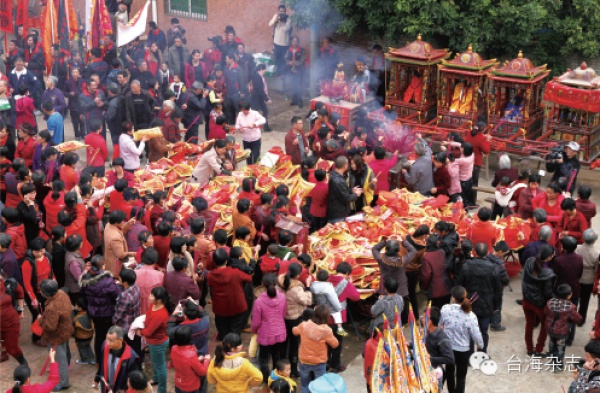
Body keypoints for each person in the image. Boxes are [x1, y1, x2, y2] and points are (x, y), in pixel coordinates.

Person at [456, 242, 503, 353]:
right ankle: (482, 354)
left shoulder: (466, 266)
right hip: (486, 304)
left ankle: (469, 355)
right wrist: (497, 306)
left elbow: (459, 286)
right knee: (483, 330)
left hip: (468, 303)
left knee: (468, 330)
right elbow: (498, 291)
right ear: (487, 252)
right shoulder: (494, 268)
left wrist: (459, 302)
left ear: (474, 252)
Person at [80, 255, 123, 368]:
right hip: (107, 313)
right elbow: (117, 295)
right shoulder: (108, 281)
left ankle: (99, 359)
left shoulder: (86, 279)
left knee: (99, 335)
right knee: (109, 335)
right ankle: (108, 359)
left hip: (94, 312)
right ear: (103, 265)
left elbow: (83, 294)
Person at [440, 286, 484, 393]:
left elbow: (440, 325)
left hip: (448, 348)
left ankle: (451, 391)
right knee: (461, 376)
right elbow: (476, 334)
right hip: (463, 350)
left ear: (453, 298)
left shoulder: (445, 309)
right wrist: (480, 345)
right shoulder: (470, 315)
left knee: (449, 371)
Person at [292, 305, 339, 393]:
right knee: (320, 386)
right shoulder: (327, 330)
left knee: (304, 384)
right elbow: (335, 344)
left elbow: (294, 331)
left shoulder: (304, 325)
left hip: (304, 360)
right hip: (319, 362)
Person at [208, 248, 252, 340]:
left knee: (223, 332)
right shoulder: (235, 272)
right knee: (235, 331)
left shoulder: (210, 275)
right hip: (237, 305)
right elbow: (249, 278)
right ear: (227, 260)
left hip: (220, 307)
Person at [38, 279, 74, 390]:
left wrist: (40, 320)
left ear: (46, 294)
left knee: (60, 358)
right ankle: (67, 365)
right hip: (67, 328)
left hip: (56, 336)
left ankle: (64, 382)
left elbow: (50, 327)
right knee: (65, 350)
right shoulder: (62, 293)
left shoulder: (52, 307)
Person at [371, 238, 417, 324]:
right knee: (401, 309)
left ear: (386, 249)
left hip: (386, 288)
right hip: (401, 289)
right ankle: (402, 325)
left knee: (386, 309)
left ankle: (388, 325)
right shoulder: (403, 260)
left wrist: (384, 241)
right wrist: (404, 241)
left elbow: (374, 249)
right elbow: (413, 251)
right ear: (398, 250)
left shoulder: (380, 258)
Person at [278, 262, 312, 377]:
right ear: (298, 275)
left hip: (283, 316)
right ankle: (293, 369)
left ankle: (281, 367)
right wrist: (308, 288)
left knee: (283, 343)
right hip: (294, 318)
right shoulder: (297, 289)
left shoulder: (281, 282)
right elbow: (307, 301)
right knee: (294, 344)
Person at [521, 243, 555, 356]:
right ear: (549, 257)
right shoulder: (548, 272)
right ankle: (539, 349)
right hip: (540, 304)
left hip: (527, 300)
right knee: (545, 326)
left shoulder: (529, 261)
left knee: (529, 324)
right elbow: (547, 293)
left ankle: (529, 349)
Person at [137, 287, 173, 393]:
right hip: (155, 341)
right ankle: (156, 378)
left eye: (152, 296)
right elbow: (148, 318)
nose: (149, 297)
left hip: (157, 343)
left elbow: (148, 332)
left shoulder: (160, 314)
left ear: (160, 300)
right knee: (157, 362)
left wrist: (140, 332)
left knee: (160, 366)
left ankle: (162, 389)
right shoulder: (154, 305)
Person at [551, 236, 583, 345]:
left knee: (558, 314)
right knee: (572, 313)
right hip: (574, 289)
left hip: (560, 289)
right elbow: (579, 274)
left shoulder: (559, 260)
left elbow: (555, 275)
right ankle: (570, 339)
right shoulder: (579, 258)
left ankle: (556, 334)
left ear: (564, 247)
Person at [545, 284, 583, 370]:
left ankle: (552, 359)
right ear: (568, 296)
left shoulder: (550, 302)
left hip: (550, 329)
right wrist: (580, 321)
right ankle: (558, 365)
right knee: (560, 347)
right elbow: (577, 318)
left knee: (551, 343)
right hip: (562, 332)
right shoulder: (571, 306)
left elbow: (545, 311)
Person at [97, 325, 141, 393]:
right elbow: (101, 365)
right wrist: (97, 378)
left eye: (111, 341)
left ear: (121, 340)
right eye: (107, 339)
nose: (108, 343)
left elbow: (133, 381)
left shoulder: (131, 357)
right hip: (106, 387)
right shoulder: (104, 346)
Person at [171, 326, 211, 393]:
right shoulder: (191, 355)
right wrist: (207, 360)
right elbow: (202, 372)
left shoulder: (173, 348)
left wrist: (197, 360)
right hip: (191, 387)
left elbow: (184, 363)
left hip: (179, 383)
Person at [0, 275, 27, 366]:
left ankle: (24, 365)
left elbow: (20, 292)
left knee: (12, 349)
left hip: (10, 322)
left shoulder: (8, 283)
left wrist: (21, 309)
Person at [326, 156, 362, 223]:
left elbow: (340, 191)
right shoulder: (338, 180)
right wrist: (356, 194)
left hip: (335, 210)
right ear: (345, 166)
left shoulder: (333, 174)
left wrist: (351, 190)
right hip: (338, 213)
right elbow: (346, 198)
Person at [420, 234, 452, 309]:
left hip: (435, 290)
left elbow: (426, 275)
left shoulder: (426, 256)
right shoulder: (442, 252)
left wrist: (425, 287)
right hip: (446, 287)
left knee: (434, 314)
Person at [577, 228, 599, 325]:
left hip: (577, 276)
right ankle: (581, 320)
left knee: (574, 298)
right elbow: (596, 269)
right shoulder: (597, 253)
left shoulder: (577, 248)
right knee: (585, 300)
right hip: (588, 279)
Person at [269, 4, 292, 75]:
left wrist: (281, 22)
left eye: (283, 11)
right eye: (280, 11)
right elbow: (270, 25)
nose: (281, 13)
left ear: (285, 12)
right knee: (278, 58)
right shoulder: (276, 16)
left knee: (284, 59)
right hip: (276, 43)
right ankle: (278, 73)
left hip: (285, 44)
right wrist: (275, 21)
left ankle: (283, 74)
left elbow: (286, 29)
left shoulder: (288, 18)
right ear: (278, 11)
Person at [72, 296, 95, 364]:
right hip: (89, 336)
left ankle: (84, 360)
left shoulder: (77, 318)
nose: (75, 306)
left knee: (82, 349)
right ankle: (92, 359)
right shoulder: (89, 314)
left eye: (76, 305)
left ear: (80, 308)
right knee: (88, 347)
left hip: (80, 338)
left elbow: (74, 327)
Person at [63, 67, 85, 139]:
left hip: (81, 103)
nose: (75, 74)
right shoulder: (68, 82)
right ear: (71, 73)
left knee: (82, 121)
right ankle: (77, 134)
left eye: (76, 72)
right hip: (73, 104)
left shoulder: (83, 81)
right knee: (75, 121)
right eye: (73, 72)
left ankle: (83, 134)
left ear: (79, 73)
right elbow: (64, 92)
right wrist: (69, 94)